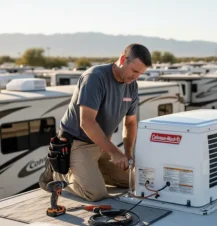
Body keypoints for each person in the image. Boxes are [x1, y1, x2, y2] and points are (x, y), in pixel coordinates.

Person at [39, 44, 152, 201]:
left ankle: (89, 171)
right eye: (134, 71)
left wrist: (127, 153)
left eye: (140, 73)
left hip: (101, 143)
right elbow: (87, 122)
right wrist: (114, 152)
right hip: (78, 143)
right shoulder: (95, 77)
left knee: (132, 182)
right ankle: (56, 173)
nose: (136, 77)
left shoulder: (131, 86)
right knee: (95, 194)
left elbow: (130, 123)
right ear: (122, 59)